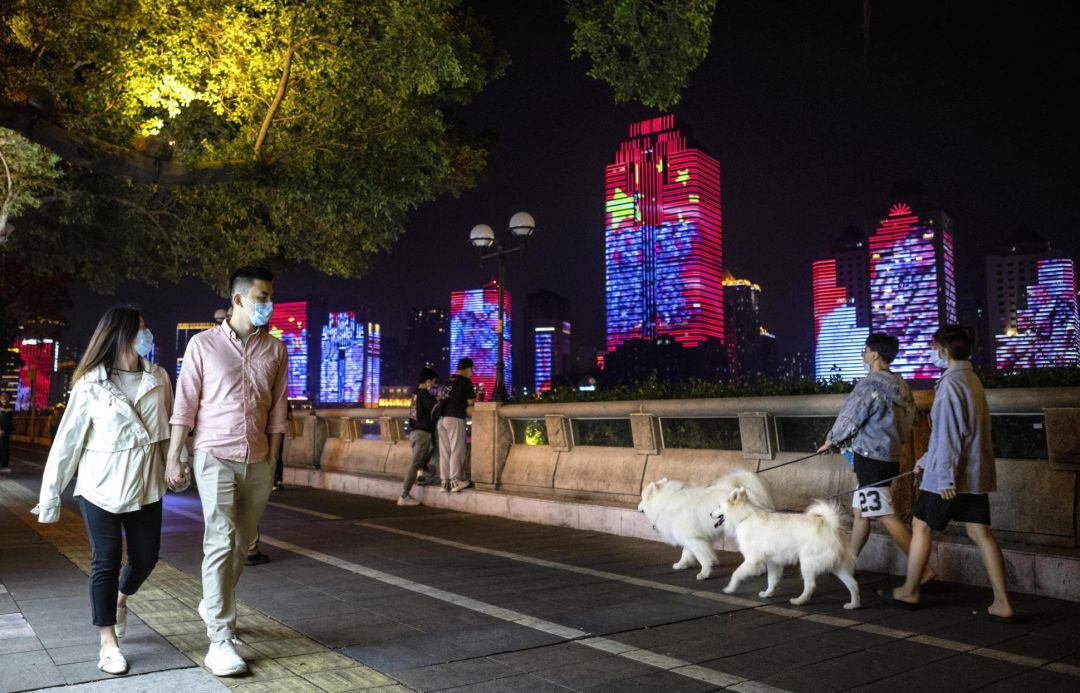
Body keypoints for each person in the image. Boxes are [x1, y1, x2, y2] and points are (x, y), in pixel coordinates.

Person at [32, 306, 172, 675]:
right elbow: (67, 444)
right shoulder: (90, 385)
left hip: (147, 485)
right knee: (105, 560)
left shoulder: (158, 378)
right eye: (141, 328)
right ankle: (107, 641)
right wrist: (50, 498)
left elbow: (170, 429)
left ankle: (121, 600)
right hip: (100, 488)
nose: (148, 335)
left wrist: (178, 463)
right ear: (122, 335)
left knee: (145, 559)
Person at [166, 266, 288, 676]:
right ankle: (219, 638)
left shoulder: (275, 350)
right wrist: (174, 455)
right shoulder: (202, 345)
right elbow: (185, 404)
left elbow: (278, 409)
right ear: (238, 299)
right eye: (262, 296)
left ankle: (212, 603)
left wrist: (272, 459)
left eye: (270, 296)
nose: (268, 304)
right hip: (213, 453)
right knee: (219, 539)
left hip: (257, 458)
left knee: (244, 541)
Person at [878, 325, 1014, 621]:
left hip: (949, 476)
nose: (932, 352)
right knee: (980, 532)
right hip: (974, 475)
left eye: (934, 346)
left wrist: (945, 476)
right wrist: (926, 458)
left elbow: (951, 435)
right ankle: (1002, 601)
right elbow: (954, 433)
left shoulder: (950, 385)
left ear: (944, 349)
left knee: (921, 524)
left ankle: (910, 589)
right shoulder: (971, 379)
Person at [817, 333, 931, 580]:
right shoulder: (900, 385)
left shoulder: (870, 384)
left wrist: (831, 440)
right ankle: (847, 564)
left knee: (883, 513)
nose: (863, 354)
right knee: (861, 512)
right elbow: (910, 420)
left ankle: (922, 570)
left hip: (870, 458)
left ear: (875, 354)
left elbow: (851, 415)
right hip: (890, 455)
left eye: (865, 349)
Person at [398, 367, 439, 506]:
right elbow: (437, 408)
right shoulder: (425, 395)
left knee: (427, 457)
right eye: (433, 382)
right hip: (422, 434)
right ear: (428, 381)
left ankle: (426, 476)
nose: (434, 385)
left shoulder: (415, 394)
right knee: (415, 464)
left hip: (415, 433)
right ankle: (404, 495)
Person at [436, 358, 476, 493]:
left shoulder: (449, 380)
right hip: (455, 417)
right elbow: (471, 402)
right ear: (468, 368)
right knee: (457, 449)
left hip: (441, 419)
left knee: (445, 451)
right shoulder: (465, 381)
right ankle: (455, 481)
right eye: (472, 370)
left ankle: (444, 482)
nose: (472, 373)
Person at [0, 390, 13, 473]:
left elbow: (10, 421)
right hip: (0, 430)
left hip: (7, 431)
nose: (4, 398)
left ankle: (4, 464)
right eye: (2, 397)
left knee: (6, 447)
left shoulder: (10, 408)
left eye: (6, 397)